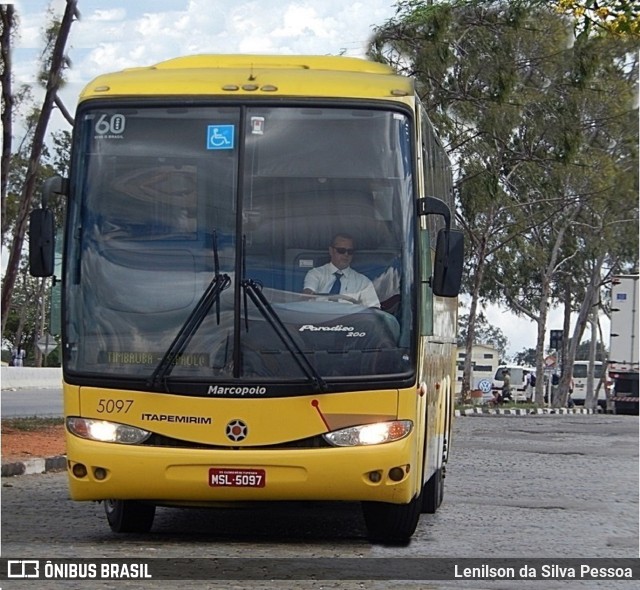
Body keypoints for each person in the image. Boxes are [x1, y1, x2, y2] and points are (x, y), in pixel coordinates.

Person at [303, 233, 380, 308]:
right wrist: (308, 294)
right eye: (341, 250)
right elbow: (308, 294)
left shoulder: (363, 282)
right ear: (331, 251)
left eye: (350, 251)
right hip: (318, 319)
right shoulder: (316, 274)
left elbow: (373, 311)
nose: (346, 254)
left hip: (350, 320)